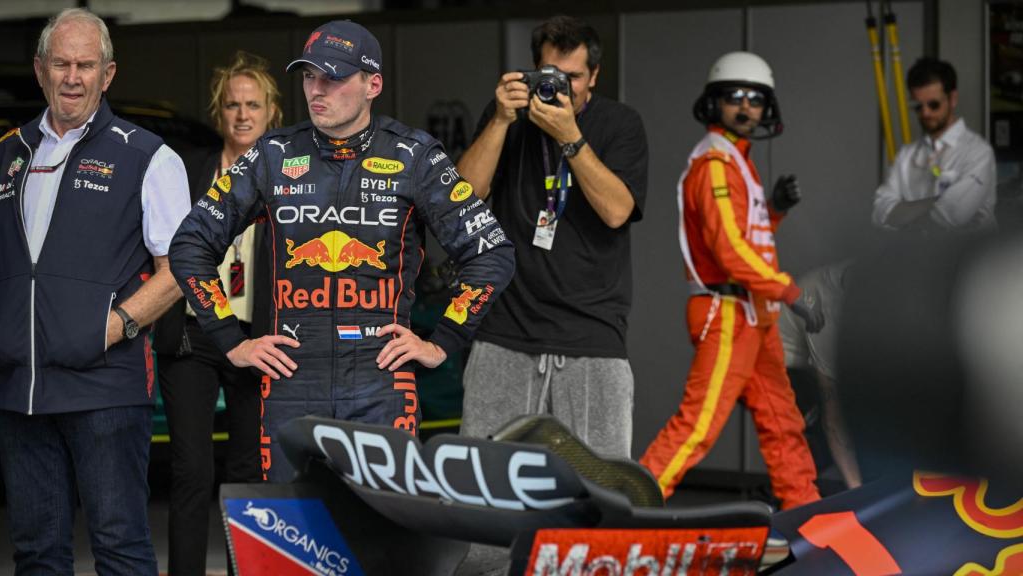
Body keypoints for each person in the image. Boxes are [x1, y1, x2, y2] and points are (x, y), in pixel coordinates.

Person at [169, 19, 514, 483]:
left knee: (381, 523)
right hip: (292, 379)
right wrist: (231, 339)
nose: (317, 90)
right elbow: (190, 244)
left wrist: (443, 341)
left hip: (381, 381)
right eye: (310, 76)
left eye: (332, 78)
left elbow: (491, 252)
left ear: (373, 85)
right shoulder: (272, 155)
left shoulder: (414, 156)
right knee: (295, 525)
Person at [0, 8, 190, 574]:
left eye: (85, 65)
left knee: (119, 547)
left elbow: (182, 268)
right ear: (40, 70)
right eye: (61, 64)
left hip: (105, 387)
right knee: (36, 554)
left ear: (108, 74)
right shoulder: (7, 153)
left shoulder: (148, 155)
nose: (72, 77)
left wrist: (117, 325)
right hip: (20, 392)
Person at [457, 15, 648, 459]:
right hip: (505, 329)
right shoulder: (509, 118)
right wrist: (500, 120)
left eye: (573, 78)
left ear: (594, 76)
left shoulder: (621, 123)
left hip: (591, 335)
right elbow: (463, 195)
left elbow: (617, 211)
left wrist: (571, 138)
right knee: (480, 476)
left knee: (600, 482)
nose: (560, 88)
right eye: (550, 75)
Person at [639, 52, 822, 510]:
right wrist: (792, 293)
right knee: (699, 424)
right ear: (714, 102)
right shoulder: (716, 163)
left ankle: (806, 514)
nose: (745, 107)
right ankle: (632, 507)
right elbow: (730, 253)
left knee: (783, 422)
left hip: (751, 312)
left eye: (755, 99)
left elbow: (745, 241)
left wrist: (774, 211)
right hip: (727, 312)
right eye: (735, 96)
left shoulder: (737, 161)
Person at [152, 51, 281, 575]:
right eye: (232, 105)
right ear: (218, 111)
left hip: (256, 335)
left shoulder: (290, 178)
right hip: (194, 333)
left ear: (272, 112)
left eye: (253, 105)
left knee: (248, 471)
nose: (243, 115)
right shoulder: (188, 172)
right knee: (191, 471)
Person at [872, 57, 997, 233]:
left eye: (933, 104)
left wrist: (904, 213)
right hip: (917, 250)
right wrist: (936, 201)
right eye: (918, 106)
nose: (925, 113)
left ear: (953, 99)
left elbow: (952, 214)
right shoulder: (906, 155)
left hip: (971, 250)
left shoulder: (978, 152)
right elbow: (879, 212)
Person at [777, 261, 862, 490]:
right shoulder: (826, 315)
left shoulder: (867, 279)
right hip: (779, 368)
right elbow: (833, 422)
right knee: (821, 436)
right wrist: (857, 491)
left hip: (811, 363)